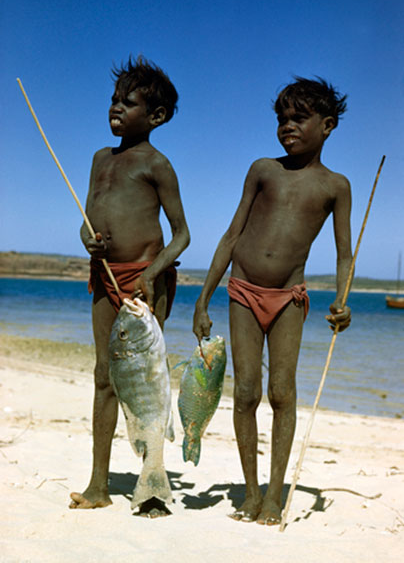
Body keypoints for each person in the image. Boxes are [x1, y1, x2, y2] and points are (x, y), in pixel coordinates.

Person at [193, 77, 352, 525]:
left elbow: (344, 254)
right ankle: (249, 491)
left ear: (328, 125)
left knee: (282, 393)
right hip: (242, 290)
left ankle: (275, 495)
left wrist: (342, 301)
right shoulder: (263, 169)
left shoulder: (336, 186)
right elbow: (231, 235)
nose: (288, 126)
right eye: (282, 119)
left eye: (299, 119)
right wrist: (203, 298)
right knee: (246, 392)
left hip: (289, 298)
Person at [69, 56, 190, 517]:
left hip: (146, 280)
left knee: (149, 382)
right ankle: (99, 483)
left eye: (129, 102)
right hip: (104, 278)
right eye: (114, 100)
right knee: (105, 376)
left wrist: (153, 271)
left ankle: (152, 484)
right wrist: (89, 242)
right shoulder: (102, 158)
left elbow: (181, 234)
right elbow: (86, 220)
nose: (116, 108)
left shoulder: (158, 164)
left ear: (156, 116)